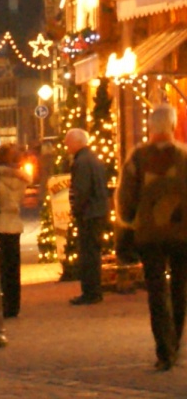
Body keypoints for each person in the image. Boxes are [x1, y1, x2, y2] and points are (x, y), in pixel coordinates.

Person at [117, 104, 187, 371]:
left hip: (150, 236)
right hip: (182, 234)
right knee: (180, 288)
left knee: (157, 292)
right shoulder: (184, 157)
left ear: (150, 126)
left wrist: (131, 220)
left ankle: (164, 350)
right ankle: (176, 340)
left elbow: (126, 199)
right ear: (171, 126)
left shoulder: (138, 158)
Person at [65, 126, 109, 306]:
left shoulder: (81, 162)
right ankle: (94, 290)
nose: (67, 146)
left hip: (89, 213)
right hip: (98, 211)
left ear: (77, 142)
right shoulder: (93, 159)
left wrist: (76, 209)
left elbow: (82, 190)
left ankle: (90, 291)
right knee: (93, 252)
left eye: (68, 142)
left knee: (88, 253)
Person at [0, 144, 27, 318]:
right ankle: (14, 305)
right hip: (14, 224)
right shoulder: (21, 179)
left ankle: (0, 303)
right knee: (13, 267)